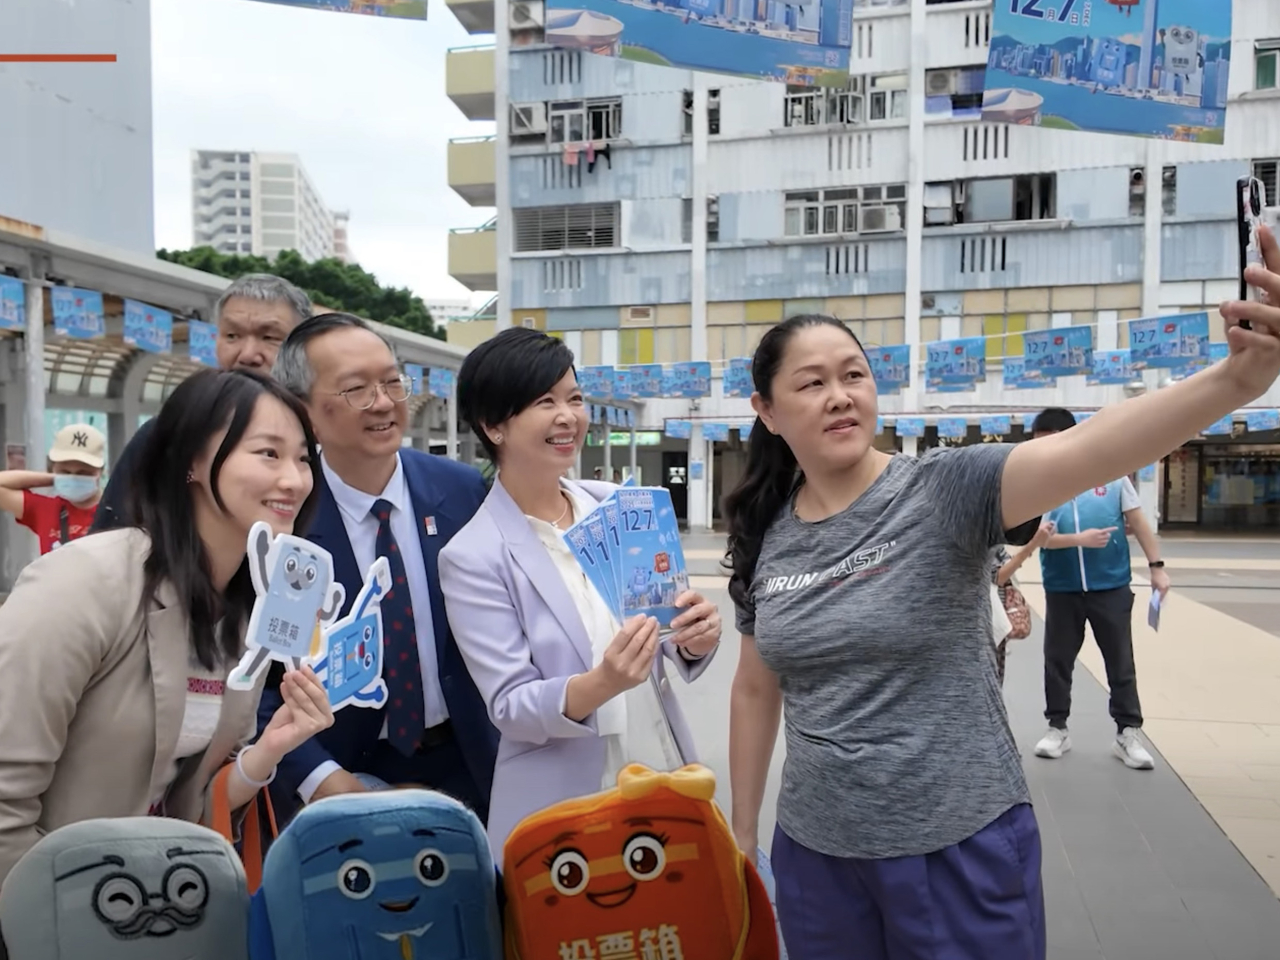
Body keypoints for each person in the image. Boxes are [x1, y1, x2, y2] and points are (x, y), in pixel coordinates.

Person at [724, 251, 1280, 960]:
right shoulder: (766, 533)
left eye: (854, 375)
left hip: (958, 846)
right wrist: (743, 833)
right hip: (817, 857)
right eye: (812, 383)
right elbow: (752, 686)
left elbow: (1090, 447)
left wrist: (1238, 378)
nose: (839, 395)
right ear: (767, 412)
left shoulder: (944, 489)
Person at [0, 369, 335, 887]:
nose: (293, 479)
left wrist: (267, 752)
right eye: (268, 453)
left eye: (303, 458)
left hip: (164, 904)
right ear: (192, 462)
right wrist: (65, 922)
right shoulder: (84, 582)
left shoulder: (249, 614)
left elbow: (185, 805)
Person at [438, 327, 722, 863]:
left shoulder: (617, 507)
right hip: (562, 804)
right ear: (494, 425)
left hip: (658, 765)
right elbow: (510, 705)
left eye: (574, 398)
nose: (568, 416)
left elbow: (663, 627)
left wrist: (694, 637)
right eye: (544, 402)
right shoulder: (472, 555)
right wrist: (601, 684)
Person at [261, 313, 498, 823]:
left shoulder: (461, 493)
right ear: (303, 411)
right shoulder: (286, 522)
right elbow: (261, 681)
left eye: (392, 381)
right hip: (341, 775)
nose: (385, 401)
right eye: (356, 389)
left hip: (472, 764)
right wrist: (323, 780)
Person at [90, 273, 312, 533]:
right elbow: (113, 535)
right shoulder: (167, 434)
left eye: (269, 338)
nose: (247, 354)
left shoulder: (326, 437)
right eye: (232, 335)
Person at [1029, 407, 1172, 770]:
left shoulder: (1110, 476)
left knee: (1120, 662)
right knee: (1057, 661)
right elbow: (1037, 541)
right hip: (1062, 589)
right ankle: (1057, 728)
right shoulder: (1040, 483)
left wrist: (1157, 569)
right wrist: (1078, 539)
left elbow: (1138, 521)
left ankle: (1128, 733)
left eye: (1051, 442)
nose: (1044, 451)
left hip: (1111, 587)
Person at [0, 423, 106, 554]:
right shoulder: (46, 509)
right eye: (65, 472)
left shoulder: (119, 509)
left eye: (84, 473)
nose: (73, 478)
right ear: (52, 469)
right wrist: (53, 479)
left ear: (101, 471)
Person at [992, 519, 1053, 684]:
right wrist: (1031, 545)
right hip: (985, 619)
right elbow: (997, 576)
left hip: (992, 618)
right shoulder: (980, 532)